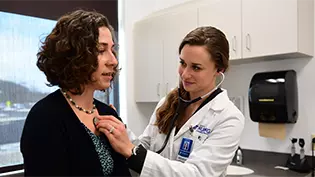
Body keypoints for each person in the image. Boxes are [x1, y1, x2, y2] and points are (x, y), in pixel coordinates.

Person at [95, 26, 245, 177]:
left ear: (219, 69)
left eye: (196, 68)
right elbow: (145, 148)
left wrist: (131, 151)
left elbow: (197, 173)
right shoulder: (167, 103)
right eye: (183, 63)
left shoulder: (229, 118)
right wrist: (121, 130)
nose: (185, 74)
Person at [20, 10, 131, 177]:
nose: (113, 61)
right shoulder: (45, 118)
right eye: (101, 50)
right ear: (74, 56)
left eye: (112, 50)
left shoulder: (108, 114)